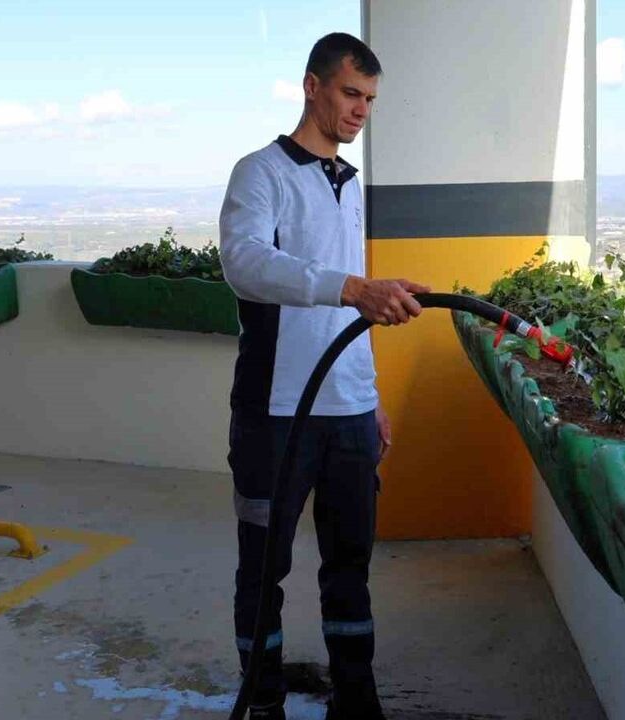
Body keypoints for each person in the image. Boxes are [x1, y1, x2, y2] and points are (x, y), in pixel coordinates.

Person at [219, 32, 428, 720]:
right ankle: (263, 700)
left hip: (347, 413)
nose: (361, 109)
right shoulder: (262, 172)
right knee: (264, 570)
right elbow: (244, 264)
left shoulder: (349, 181)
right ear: (312, 86)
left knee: (349, 567)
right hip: (274, 411)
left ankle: (356, 698)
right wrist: (348, 287)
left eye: (369, 99)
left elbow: (353, 313)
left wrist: (368, 401)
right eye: (349, 92)